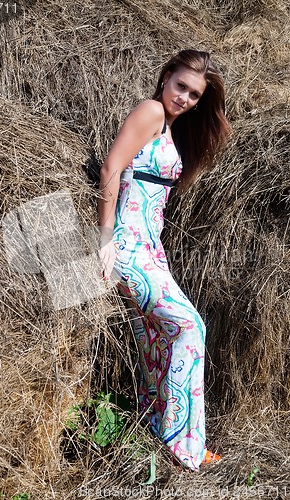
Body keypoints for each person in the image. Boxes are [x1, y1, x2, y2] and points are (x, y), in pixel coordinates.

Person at [97, 49, 230, 471]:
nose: (185, 98)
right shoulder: (151, 110)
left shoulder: (171, 128)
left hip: (150, 248)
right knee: (191, 327)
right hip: (129, 247)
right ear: (166, 76)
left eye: (194, 95)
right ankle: (184, 445)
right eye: (181, 86)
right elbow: (111, 169)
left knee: (158, 340)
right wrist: (105, 241)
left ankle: (157, 426)